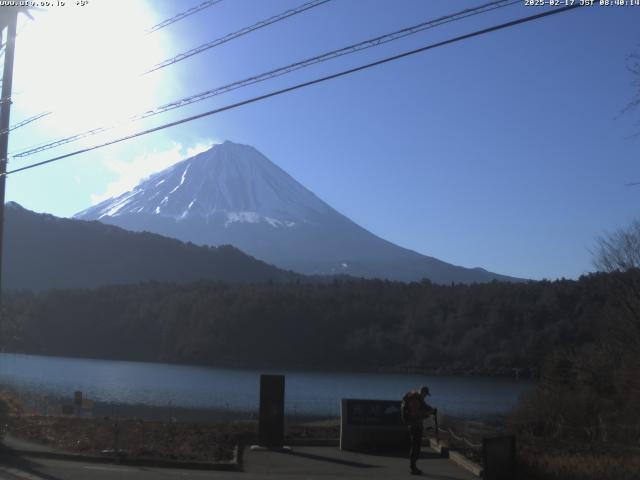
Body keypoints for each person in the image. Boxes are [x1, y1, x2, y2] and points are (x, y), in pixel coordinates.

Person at [402, 385, 437, 475]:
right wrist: (428, 413)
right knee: (415, 447)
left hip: (414, 425)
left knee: (416, 446)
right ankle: (413, 468)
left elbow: (424, 405)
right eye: (425, 394)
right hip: (415, 426)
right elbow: (416, 413)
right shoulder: (415, 399)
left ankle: (413, 466)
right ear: (422, 393)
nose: (425, 396)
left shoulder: (417, 398)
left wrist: (431, 409)